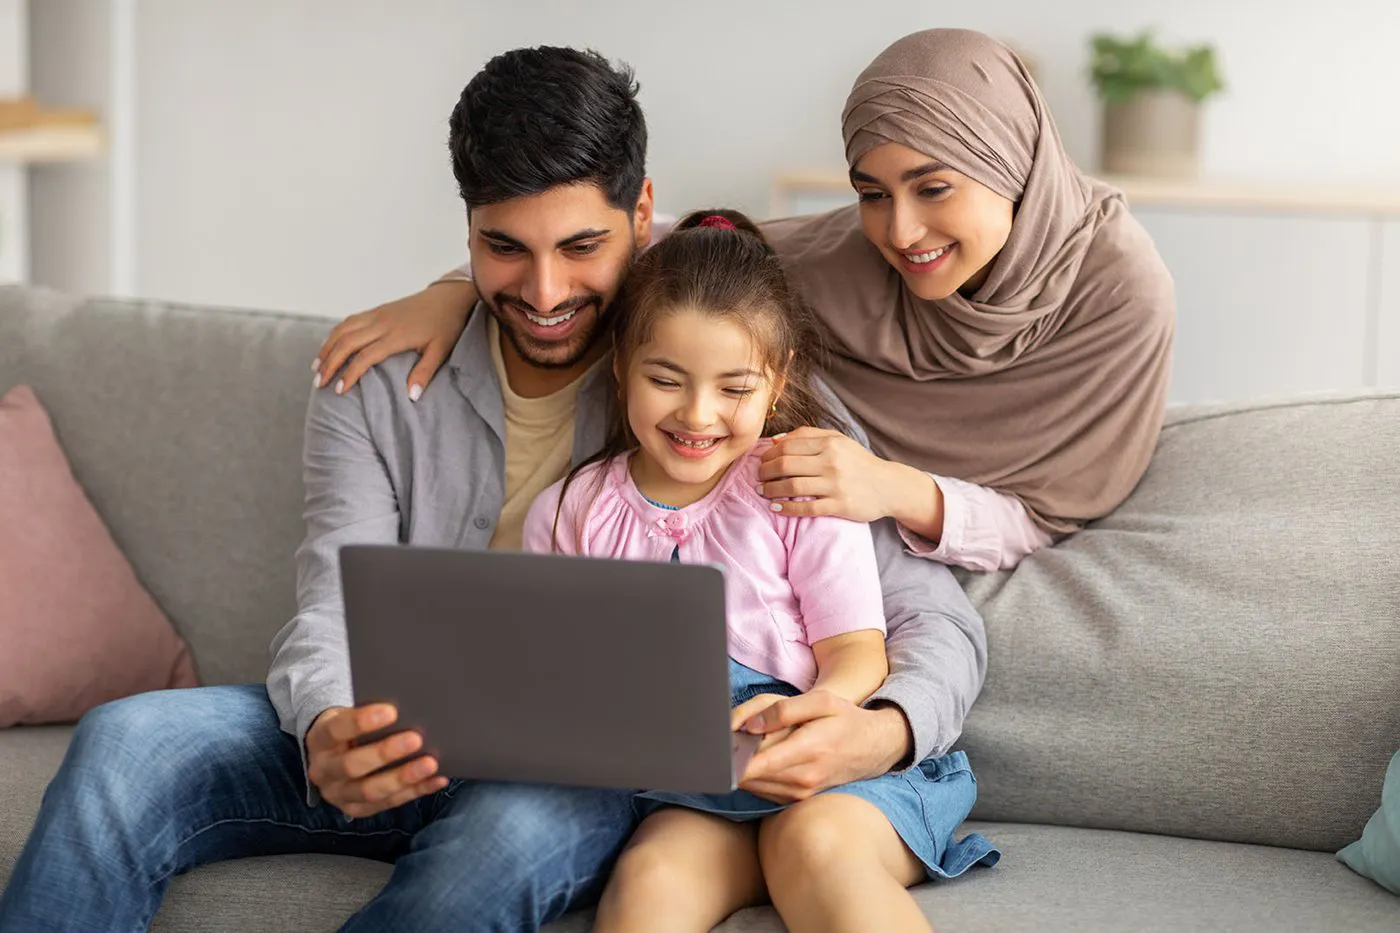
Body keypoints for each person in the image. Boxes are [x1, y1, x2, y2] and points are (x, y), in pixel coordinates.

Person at [0, 46, 987, 933]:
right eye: (503, 248)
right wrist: (329, 721)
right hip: (398, 723)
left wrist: (876, 731)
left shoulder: (714, 383)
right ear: (467, 231)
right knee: (125, 741)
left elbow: (928, 618)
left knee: (504, 839)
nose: (546, 292)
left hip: (567, 773)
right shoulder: (378, 381)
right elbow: (329, 602)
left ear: (642, 215)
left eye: (581, 247)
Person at [314, 28, 1175, 573]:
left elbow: (1051, 515)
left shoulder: (1114, 294)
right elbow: (644, 259)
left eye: (934, 187)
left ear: (1015, 161)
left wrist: (901, 490)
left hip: (891, 551)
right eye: (870, 192)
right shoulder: (822, 264)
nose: (901, 231)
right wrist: (457, 290)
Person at [522, 208, 996, 933]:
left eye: (734, 388)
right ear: (620, 366)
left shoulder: (796, 489)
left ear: (777, 385)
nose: (698, 413)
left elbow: (857, 652)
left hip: (833, 764)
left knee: (815, 844)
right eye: (666, 379)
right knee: (650, 879)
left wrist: (825, 713)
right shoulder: (570, 512)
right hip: (695, 789)